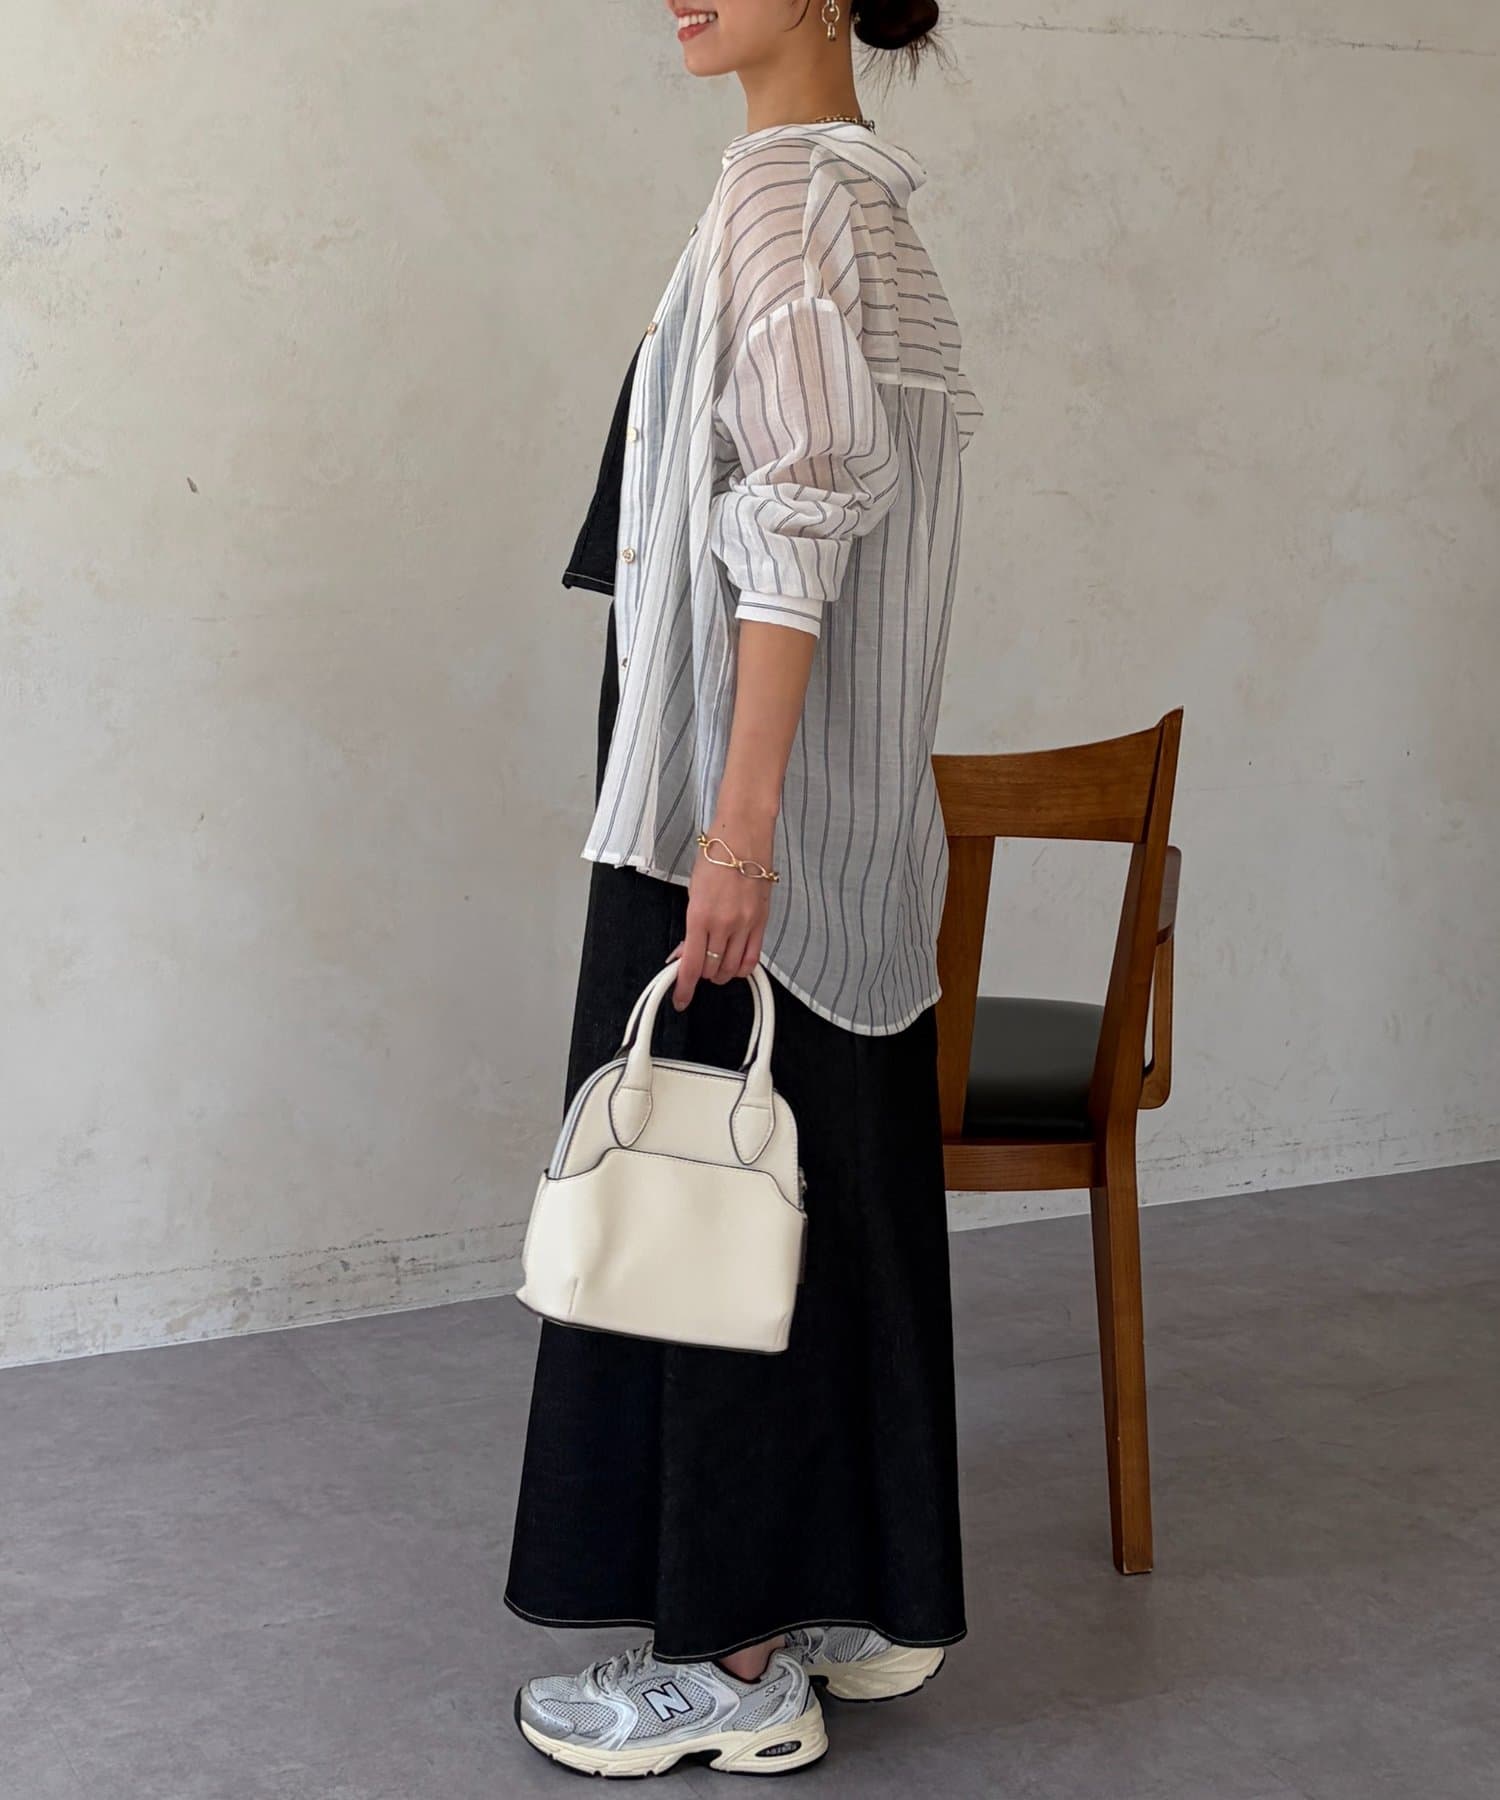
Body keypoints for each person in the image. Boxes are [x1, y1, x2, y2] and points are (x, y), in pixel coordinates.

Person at [505, 0, 984, 1777]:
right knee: (811, 1206)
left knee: (701, 1227)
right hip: (840, 841)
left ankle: (731, 1666)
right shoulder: (866, 213)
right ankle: (843, 1596)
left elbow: (800, 510)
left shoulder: (784, 198)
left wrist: (736, 832)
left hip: (730, 822)